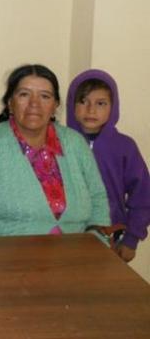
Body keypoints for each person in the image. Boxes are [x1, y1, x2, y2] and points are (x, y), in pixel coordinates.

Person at [0, 64, 110, 237]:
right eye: (24, 94)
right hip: (2, 252)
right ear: (10, 103)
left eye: (45, 96)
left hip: (75, 251)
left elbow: (97, 198)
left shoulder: (75, 144)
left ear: (55, 106)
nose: (34, 104)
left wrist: (97, 240)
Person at [67, 69, 150, 262]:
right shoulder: (60, 143)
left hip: (110, 235)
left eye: (100, 103)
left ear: (113, 107)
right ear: (72, 105)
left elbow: (143, 195)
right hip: (66, 234)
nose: (91, 110)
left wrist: (131, 238)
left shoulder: (124, 147)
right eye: (83, 101)